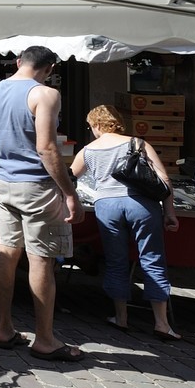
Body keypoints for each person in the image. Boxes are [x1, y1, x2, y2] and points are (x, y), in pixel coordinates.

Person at [0, 45, 84, 363]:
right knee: (41, 260)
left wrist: (4, 168)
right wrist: (69, 192)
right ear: (50, 68)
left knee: (7, 252)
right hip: (37, 186)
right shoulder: (45, 94)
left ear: (18, 62)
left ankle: (4, 327)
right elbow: (47, 148)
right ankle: (44, 339)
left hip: (3, 182)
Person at [72, 104, 180, 341]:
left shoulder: (88, 150)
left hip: (107, 206)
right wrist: (169, 211)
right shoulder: (138, 144)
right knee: (153, 260)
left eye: (91, 126)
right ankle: (162, 323)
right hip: (142, 206)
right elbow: (164, 179)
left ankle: (121, 317)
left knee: (115, 261)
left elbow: (70, 177)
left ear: (97, 125)